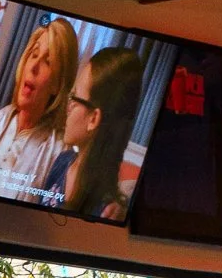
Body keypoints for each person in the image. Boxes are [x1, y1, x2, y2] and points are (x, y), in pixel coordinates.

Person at [0, 15, 77, 197]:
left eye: (48, 61)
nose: (34, 66)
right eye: (34, 54)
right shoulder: (0, 118)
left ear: (57, 85)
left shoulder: (59, 151)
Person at [42, 45, 146, 221]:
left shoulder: (106, 211)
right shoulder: (62, 162)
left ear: (93, 119)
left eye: (74, 98)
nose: (68, 107)